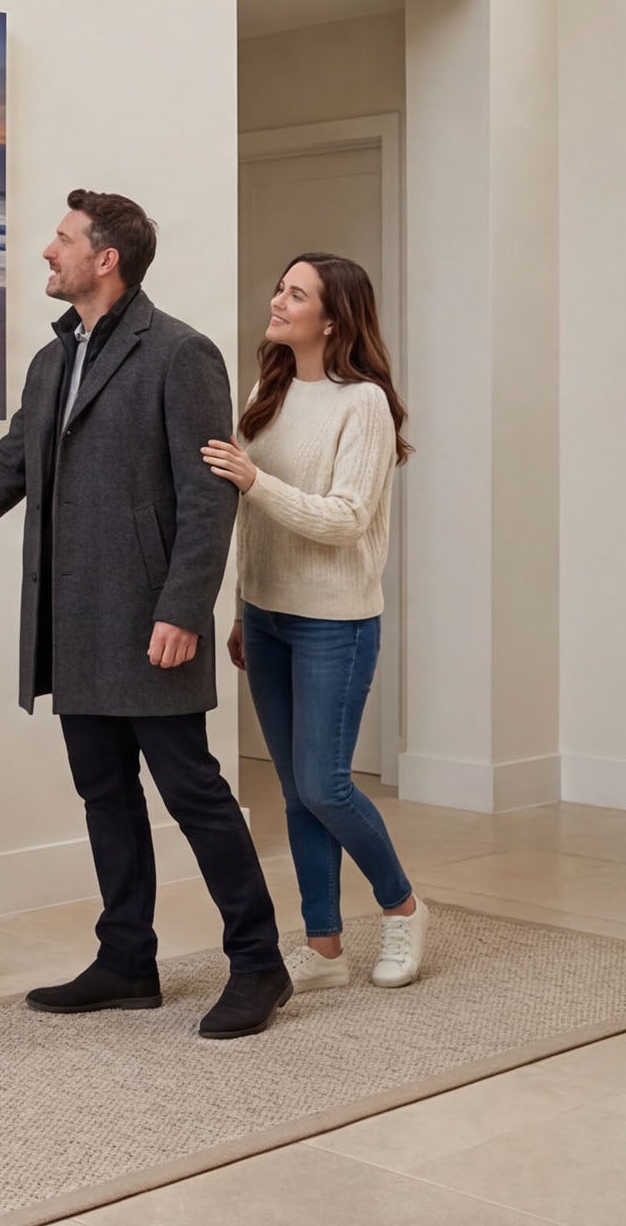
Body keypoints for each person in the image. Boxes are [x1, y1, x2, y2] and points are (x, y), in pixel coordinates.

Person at [0, 191, 290, 1040]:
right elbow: (5, 471)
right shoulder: (54, 362)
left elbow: (210, 499)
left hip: (152, 625)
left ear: (107, 260)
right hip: (74, 620)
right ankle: (127, 960)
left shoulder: (182, 354)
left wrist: (184, 610)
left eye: (61, 242)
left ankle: (259, 964)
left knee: (196, 794)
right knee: (104, 794)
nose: (46, 254)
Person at [202, 253, 423, 993]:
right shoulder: (268, 390)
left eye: (295, 293)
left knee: (326, 786)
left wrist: (255, 479)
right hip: (267, 618)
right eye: (279, 286)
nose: (277, 299)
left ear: (331, 318)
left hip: (336, 622)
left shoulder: (362, 404)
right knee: (296, 791)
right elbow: (254, 525)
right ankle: (324, 946)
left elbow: (345, 521)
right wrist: (242, 606)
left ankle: (402, 907)